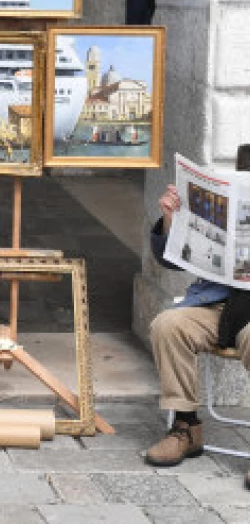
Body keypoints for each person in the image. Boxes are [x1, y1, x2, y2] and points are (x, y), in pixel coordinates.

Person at [146, 184, 250, 491]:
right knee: (169, 325)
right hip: (216, 303)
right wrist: (170, 220)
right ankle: (186, 426)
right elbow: (171, 259)